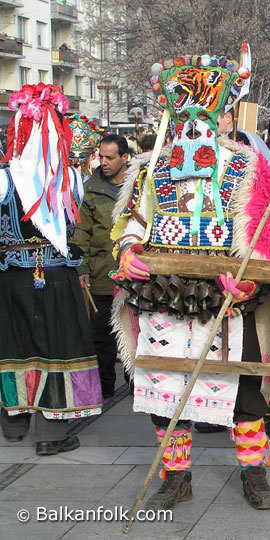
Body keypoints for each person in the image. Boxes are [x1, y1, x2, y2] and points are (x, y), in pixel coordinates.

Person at [110, 52, 270, 511]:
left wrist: (249, 275)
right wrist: (128, 249)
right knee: (165, 390)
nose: (195, 121)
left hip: (229, 296)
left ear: (224, 112)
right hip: (163, 294)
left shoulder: (246, 166)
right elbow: (134, 217)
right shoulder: (151, 165)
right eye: (184, 112)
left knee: (243, 390)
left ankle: (254, 474)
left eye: (207, 111)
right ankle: (175, 476)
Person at [0, 83, 103, 455]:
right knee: (56, 347)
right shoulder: (70, 179)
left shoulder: (5, 177)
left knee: (15, 343)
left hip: (12, 276)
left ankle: (14, 423)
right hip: (58, 276)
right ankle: (51, 434)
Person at [71, 134, 130, 399]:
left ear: (124, 158)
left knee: (133, 334)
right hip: (101, 274)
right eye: (101, 157)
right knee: (101, 337)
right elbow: (80, 233)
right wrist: (81, 268)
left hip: (135, 275)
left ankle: (136, 384)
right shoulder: (90, 189)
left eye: (110, 157)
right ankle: (103, 387)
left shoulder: (139, 184)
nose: (103, 162)